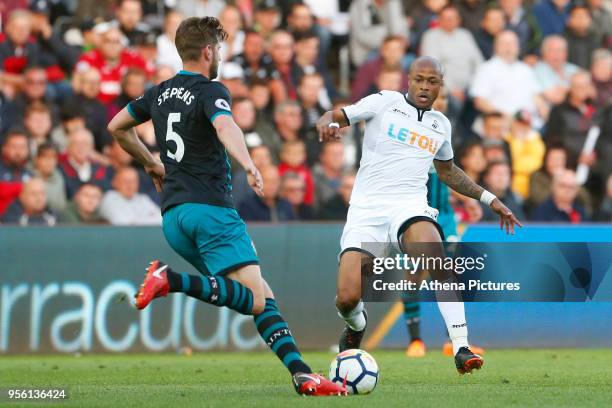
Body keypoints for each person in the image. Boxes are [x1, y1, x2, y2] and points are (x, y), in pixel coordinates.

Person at [106, 16, 345, 396]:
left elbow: (117, 126)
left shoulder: (160, 92)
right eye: (219, 47)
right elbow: (225, 126)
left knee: (260, 293)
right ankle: (170, 280)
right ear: (208, 51)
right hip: (211, 211)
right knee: (253, 299)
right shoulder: (210, 90)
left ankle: (302, 374)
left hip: (174, 217)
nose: (221, 53)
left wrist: (151, 162)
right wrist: (248, 162)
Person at [316, 56, 522, 374]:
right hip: (367, 211)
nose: (425, 86)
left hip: (409, 207)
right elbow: (340, 115)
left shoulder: (441, 124)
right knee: (347, 298)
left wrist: (489, 198)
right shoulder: (384, 102)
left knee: (436, 258)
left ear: (441, 84)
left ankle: (462, 347)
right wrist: (327, 121)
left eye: (432, 81)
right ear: (408, 80)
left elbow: (449, 171)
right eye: (419, 79)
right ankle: (356, 326)